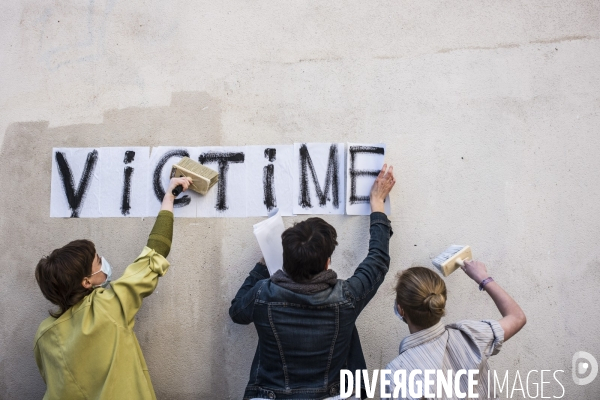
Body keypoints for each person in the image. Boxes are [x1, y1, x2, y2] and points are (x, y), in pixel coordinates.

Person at [229, 164, 396, 400]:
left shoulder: (262, 294)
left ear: (285, 259)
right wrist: (377, 204)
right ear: (328, 262)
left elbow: (237, 313)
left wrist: (262, 264)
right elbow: (377, 262)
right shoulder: (347, 297)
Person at [33, 176, 192, 400]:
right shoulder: (108, 306)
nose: (103, 261)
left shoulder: (43, 335)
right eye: (98, 260)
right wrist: (169, 198)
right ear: (86, 281)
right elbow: (153, 256)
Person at [385, 261, 527, 399]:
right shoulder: (469, 335)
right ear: (441, 302)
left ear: (400, 310)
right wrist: (482, 277)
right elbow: (517, 317)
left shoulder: (396, 373)